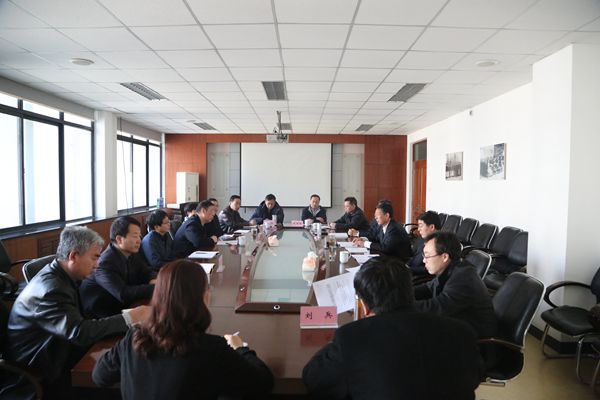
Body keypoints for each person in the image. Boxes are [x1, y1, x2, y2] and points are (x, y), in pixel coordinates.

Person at [303, 256, 482, 400]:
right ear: (410, 291)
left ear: (364, 306)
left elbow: (314, 379)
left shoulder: (351, 337)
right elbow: (475, 377)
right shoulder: (462, 331)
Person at [3, 226, 149, 400]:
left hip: (60, 350)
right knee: (123, 382)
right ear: (73, 256)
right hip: (42, 372)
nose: (98, 264)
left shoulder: (62, 275)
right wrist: (129, 318)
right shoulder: (51, 289)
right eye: (95, 257)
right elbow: (79, 332)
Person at [92, 259, 274, 399]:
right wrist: (241, 349)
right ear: (204, 297)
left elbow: (100, 376)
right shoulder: (211, 348)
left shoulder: (135, 337)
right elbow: (262, 383)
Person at [414, 231, 497, 339]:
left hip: (474, 340)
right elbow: (428, 288)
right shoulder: (450, 268)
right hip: (456, 325)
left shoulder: (464, 277)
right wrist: (401, 293)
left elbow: (437, 308)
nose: (424, 260)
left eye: (427, 256)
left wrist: (401, 305)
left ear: (444, 257)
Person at [79, 216, 155, 318]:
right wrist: (156, 287)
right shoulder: (105, 263)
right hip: (103, 313)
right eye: (135, 236)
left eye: (139, 236)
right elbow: (123, 294)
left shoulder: (131, 252)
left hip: (124, 305)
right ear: (119, 239)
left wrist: (153, 279)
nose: (139, 240)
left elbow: (146, 271)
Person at [408, 210, 441, 276]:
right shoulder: (421, 239)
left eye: (421, 226)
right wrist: (405, 266)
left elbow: (430, 269)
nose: (418, 229)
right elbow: (412, 256)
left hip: (419, 276)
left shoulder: (440, 244)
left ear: (432, 227)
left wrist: (409, 269)